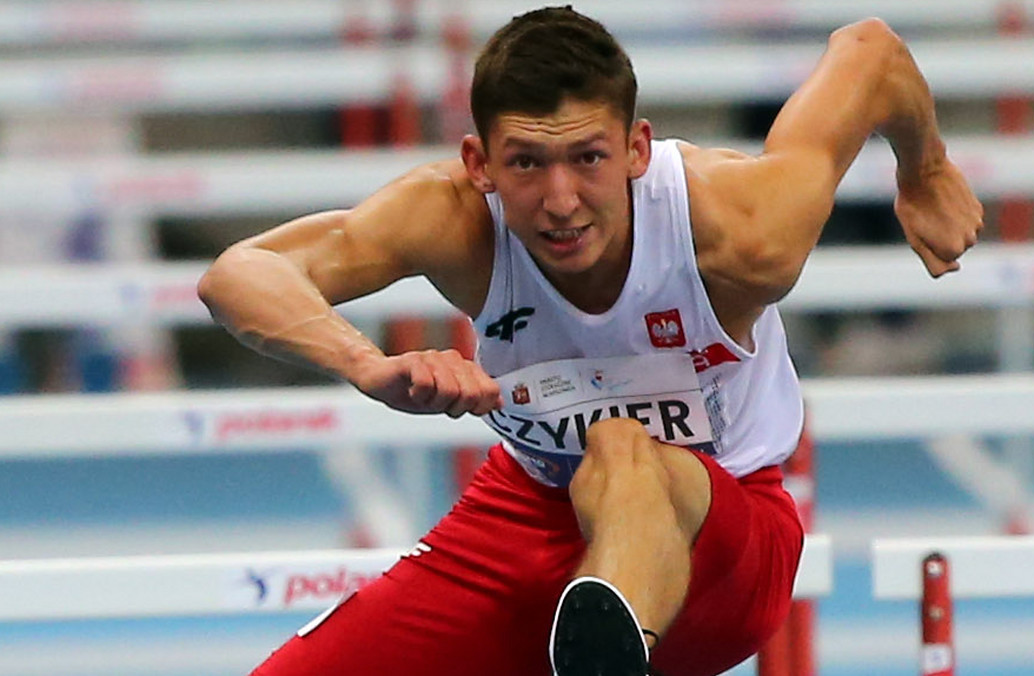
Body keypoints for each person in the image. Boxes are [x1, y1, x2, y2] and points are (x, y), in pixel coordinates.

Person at [198, 7, 983, 676]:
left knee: (619, 448)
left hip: (730, 542)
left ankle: (608, 641)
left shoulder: (741, 230)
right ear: (480, 165)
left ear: (637, 148)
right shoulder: (452, 217)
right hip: (533, 508)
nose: (561, 201)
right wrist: (365, 362)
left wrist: (927, 167)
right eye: (528, 165)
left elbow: (871, 53)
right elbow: (240, 274)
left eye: (588, 158)